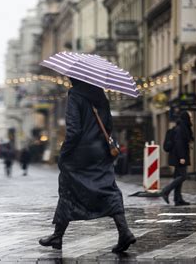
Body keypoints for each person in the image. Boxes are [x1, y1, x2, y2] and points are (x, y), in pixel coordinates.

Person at [39, 78, 135, 254]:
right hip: (101, 151)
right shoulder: (99, 94)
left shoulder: (75, 95)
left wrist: (64, 154)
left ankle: (58, 235)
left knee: (68, 188)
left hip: (80, 153)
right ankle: (124, 232)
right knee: (108, 188)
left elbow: (74, 130)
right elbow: (109, 125)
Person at [160, 111, 194, 206]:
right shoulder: (180, 129)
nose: (191, 119)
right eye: (190, 118)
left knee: (178, 177)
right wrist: (182, 157)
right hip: (179, 157)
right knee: (183, 176)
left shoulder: (183, 128)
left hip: (178, 156)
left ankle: (177, 199)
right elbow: (179, 144)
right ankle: (166, 190)